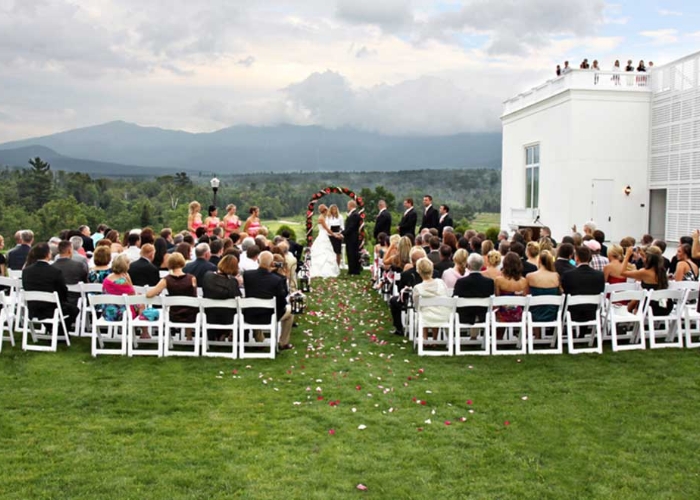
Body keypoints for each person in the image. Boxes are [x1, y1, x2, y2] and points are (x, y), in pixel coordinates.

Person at [21, 243, 79, 331]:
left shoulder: (26, 271)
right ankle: (61, 331)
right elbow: (62, 290)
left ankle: (53, 330)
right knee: (74, 310)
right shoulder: (55, 271)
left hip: (32, 308)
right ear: (48, 255)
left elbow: (26, 287)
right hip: (51, 309)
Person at [243, 251, 294, 350]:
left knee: (256, 309)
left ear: (258, 261)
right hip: (269, 316)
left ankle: (259, 340)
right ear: (272, 263)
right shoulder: (277, 279)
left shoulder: (247, 275)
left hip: (251, 315)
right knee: (290, 311)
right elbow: (282, 301)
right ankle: (283, 342)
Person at [147, 252, 198, 338]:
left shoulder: (166, 280)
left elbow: (149, 294)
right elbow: (194, 295)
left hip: (174, 314)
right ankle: (189, 336)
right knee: (189, 307)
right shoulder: (192, 278)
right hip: (191, 315)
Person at [201, 254, 242, 341]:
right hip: (227, 318)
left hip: (210, 315)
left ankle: (221, 334)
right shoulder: (232, 282)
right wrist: (237, 283)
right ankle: (226, 334)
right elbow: (238, 297)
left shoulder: (207, 276)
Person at [561, 245, 605, 322]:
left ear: (576, 258)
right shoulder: (600, 275)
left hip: (573, 313)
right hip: (593, 312)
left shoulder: (568, 275)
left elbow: (565, 292)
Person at [389, 248, 427, 336]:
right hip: (432, 302)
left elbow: (400, 290)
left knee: (393, 301)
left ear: (412, 261)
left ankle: (398, 328)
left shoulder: (406, 274)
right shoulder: (435, 272)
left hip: (412, 302)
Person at [412, 258, 450, 340]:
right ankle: (434, 339)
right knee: (434, 309)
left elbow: (416, 306)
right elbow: (446, 296)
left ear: (418, 271)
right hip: (443, 316)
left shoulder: (417, 288)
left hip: (426, 317)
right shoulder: (441, 282)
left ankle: (425, 338)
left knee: (424, 310)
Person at [453, 253, 494, 327]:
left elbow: (454, 299)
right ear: (481, 266)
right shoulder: (489, 282)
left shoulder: (461, 282)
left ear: (468, 265)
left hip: (463, 317)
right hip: (482, 317)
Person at [101, 254, 141, 323]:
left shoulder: (107, 278)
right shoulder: (122, 281)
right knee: (142, 304)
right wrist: (129, 281)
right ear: (125, 265)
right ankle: (143, 331)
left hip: (107, 311)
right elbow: (133, 296)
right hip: (121, 313)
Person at [526, 250, 561, 324]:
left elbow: (526, 294)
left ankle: (536, 334)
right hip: (552, 313)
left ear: (539, 261)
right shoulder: (556, 276)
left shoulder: (530, 276)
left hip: (534, 314)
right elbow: (560, 292)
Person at [494, 252, 529, 323]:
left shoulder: (498, 280)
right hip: (518, 315)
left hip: (502, 315)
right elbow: (525, 299)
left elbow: (497, 299)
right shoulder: (524, 281)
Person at [309, 204, 341, 279]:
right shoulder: (321, 218)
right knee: (323, 252)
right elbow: (327, 229)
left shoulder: (324, 217)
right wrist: (335, 235)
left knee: (328, 252)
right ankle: (323, 270)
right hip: (323, 236)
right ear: (325, 210)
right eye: (327, 210)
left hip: (325, 236)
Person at [342, 200, 362, 275]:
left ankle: (354, 270)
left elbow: (351, 227)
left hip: (352, 237)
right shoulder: (353, 214)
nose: (347, 207)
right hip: (350, 237)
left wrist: (343, 233)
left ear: (350, 205)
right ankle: (352, 269)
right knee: (350, 253)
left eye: (348, 205)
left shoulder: (355, 215)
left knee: (352, 253)